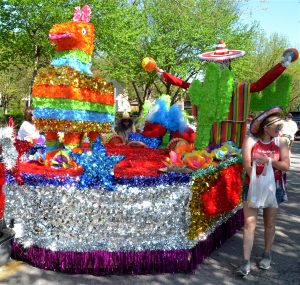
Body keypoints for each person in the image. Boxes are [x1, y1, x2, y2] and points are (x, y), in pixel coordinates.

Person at [152, 41, 298, 148]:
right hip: (209, 136)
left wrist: (282, 65)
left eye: (224, 63)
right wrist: (164, 74)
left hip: (233, 138)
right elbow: (185, 85)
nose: (221, 67)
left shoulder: (238, 88)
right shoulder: (204, 88)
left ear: (229, 64)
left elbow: (260, 85)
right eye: (217, 64)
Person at [237, 106, 290, 276]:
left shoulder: (281, 142)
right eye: (277, 127)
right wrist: (257, 181)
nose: (280, 130)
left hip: (273, 187)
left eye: (280, 127)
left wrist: (268, 161)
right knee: (249, 224)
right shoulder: (250, 141)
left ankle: (267, 254)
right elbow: (246, 165)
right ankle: (245, 261)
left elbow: (285, 165)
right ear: (265, 128)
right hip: (252, 186)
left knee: (270, 223)